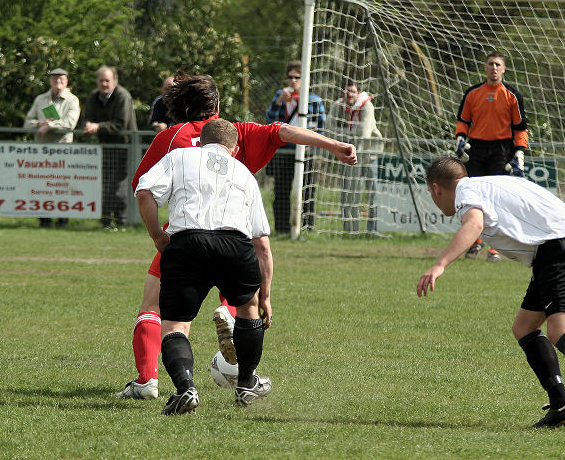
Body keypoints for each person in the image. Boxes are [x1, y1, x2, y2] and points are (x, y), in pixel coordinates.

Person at [118, 71, 356, 400]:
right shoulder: (236, 133)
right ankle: (234, 334)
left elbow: (142, 188)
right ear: (217, 104)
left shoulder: (172, 139)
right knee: (244, 301)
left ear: (181, 106)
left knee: (157, 309)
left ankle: (148, 380)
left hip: (184, 236)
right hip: (235, 238)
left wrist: (159, 235)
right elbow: (284, 131)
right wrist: (332, 145)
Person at [417, 156, 565, 433]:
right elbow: (545, 218)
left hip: (559, 250)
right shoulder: (489, 184)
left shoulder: (466, 193)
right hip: (559, 248)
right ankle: (560, 405)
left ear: (436, 189)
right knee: (524, 327)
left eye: (431, 193)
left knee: (561, 331)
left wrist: (438, 265)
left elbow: (473, 225)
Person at [136, 118, 273, 414]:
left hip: (187, 243)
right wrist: (266, 296)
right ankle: (247, 384)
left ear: (200, 140)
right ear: (235, 148)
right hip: (235, 245)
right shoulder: (244, 172)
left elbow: (144, 191)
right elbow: (261, 243)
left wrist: (157, 235)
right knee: (248, 309)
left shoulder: (180, 156)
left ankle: (186, 389)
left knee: (175, 324)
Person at [455, 51, 529, 262]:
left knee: (496, 199)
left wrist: (519, 152)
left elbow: (520, 128)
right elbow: (462, 121)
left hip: (501, 150)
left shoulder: (513, 95)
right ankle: (475, 241)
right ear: (485, 67)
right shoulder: (473, 93)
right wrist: (460, 139)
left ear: (504, 69)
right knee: (474, 197)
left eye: (498, 64)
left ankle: (495, 248)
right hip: (476, 149)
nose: (494, 68)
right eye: (490, 64)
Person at [265, 60, 326, 233]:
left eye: (297, 77)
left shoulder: (313, 100)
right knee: (282, 191)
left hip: (305, 152)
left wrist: (314, 147)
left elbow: (320, 126)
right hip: (285, 151)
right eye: (290, 77)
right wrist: (278, 102)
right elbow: (270, 121)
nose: (293, 81)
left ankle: (307, 227)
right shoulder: (281, 95)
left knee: (308, 191)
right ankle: (282, 228)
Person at [81, 65, 136, 230]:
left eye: (107, 80)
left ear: (114, 81)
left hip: (124, 146)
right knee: (105, 185)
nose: (104, 84)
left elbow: (120, 124)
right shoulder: (94, 96)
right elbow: (86, 119)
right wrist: (88, 125)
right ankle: (105, 222)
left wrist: (97, 127)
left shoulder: (122, 96)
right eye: (101, 80)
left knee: (119, 187)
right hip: (104, 147)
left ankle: (122, 222)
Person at [24, 67, 80, 227]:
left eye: (61, 79)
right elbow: (28, 123)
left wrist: (50, 126)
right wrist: (40, 124)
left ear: (67, 81)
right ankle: (44, 219)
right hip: (42, 152)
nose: (58, 81)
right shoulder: (40, 99)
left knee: (62, 185)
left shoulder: (72, 100)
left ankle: (63, 220)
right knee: (42, 185)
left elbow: (70, 124)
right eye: (55, 78)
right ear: (50, 81)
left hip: (63, 152)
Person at [334, 80, 382, 233]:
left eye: (353, 92)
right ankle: (349, 230)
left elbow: (364, 134)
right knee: (347, 194)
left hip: (368, 156)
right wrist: (346, 136)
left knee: (373, 193)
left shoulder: (367, 105)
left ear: (358, 93)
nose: (349, 95)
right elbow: (329, 128)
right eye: (347, 91)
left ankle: (372, 230)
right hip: (349, 156)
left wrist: (342, 134)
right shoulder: (338, 105)